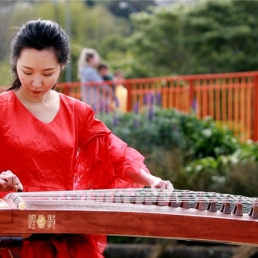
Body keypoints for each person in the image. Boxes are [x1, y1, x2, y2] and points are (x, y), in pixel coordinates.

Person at [0, 19, 173, 258]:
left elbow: (113, 152)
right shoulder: (2, 109)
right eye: (27, 72)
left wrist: (151, 179)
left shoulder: (76, 112)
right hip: (10, 235)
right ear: (15, 63)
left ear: (62, 66)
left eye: (47, 73)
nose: (36, 82)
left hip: (61, 229)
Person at [78, 48, 111, 112]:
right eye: (97, 58)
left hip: (90, 101)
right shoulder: (90, 72)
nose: (98, 60)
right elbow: (102, 86)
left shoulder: (86, 71)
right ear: (90, 59)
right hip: (94, 103)